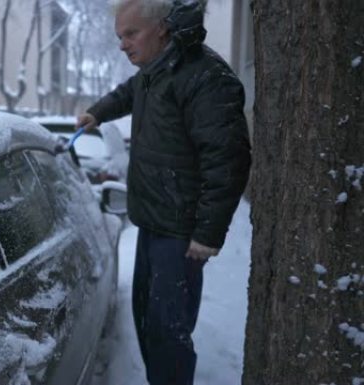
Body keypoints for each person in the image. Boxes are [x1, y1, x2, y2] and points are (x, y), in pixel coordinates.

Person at [76, 0, 251, 384]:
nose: (122, 44)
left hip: (180, 233)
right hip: (153, 220)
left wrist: (207, 234)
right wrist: (99, 112)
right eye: (119, 36)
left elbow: (228, 160)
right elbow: (128, 91)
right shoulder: (156, 70)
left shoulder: (205, 77)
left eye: (130, 33)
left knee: (167, 332)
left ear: (161, 29)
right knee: (146, 321)